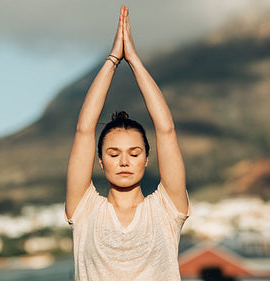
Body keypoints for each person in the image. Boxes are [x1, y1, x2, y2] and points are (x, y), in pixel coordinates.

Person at [65, 5, 189, 281]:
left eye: (134, 153)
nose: (124, 161)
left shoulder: (166, 210)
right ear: (100, 161)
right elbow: (84, 130)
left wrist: (133, 59)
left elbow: (166, 129)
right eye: (113, 153)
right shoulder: (85, 211)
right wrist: (112, 59)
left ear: (147, 158)